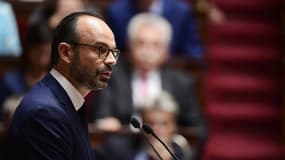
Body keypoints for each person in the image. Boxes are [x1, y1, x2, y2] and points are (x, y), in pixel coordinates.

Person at [5, 11, 119, 160]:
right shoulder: (45, 113)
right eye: (101, 49)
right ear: (66, 53)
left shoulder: (67, 102)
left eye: (114, 52)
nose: (112, 60)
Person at [92, 13, 207, 160]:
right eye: (141, 43)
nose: (147, 52)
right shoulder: (111, 76)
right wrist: (107, 123)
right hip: (124, 152)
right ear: (129, 46)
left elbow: (198, 131)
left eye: (155, 45)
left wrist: (176, 153)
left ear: (166, 51)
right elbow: (101, 117)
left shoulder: (181, 82)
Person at [107, 0, 203, 60]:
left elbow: (194, 53)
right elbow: (112, 51)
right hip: (128, 76)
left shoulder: (181, 11)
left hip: (170, 75)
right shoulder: (116, 12)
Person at [0, 22, 52, 121]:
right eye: (38, 51)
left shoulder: (57, 83)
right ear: (28, 50)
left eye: (47, 52)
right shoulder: (9, 81)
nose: (42, 59)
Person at [134, 90, 191, 160]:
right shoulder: (129, 151)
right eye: (150, 123)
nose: (156, 129)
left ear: (174, 127)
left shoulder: (184, 153)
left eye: (164, 124)